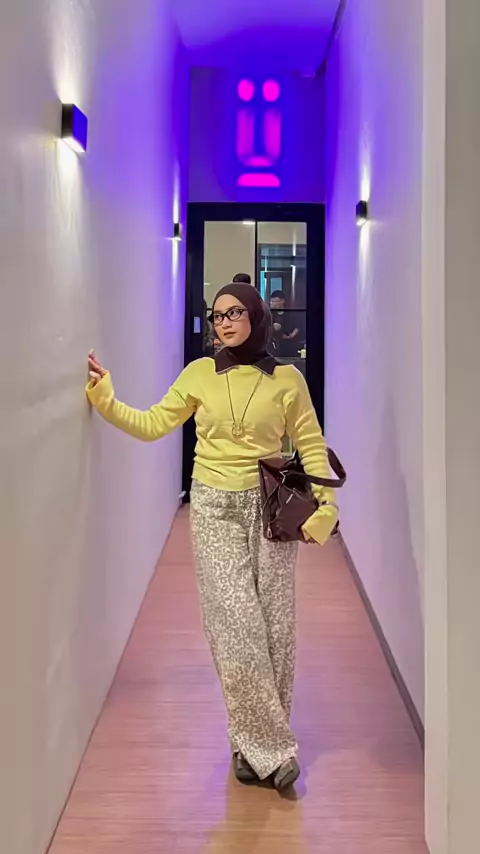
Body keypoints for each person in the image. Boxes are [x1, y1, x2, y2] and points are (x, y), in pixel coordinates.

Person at [86, 283, 338, 792]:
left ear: (257, 317)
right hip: (214, 505)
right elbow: (153, 424)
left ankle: (250, 742)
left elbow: (311, 445)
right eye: (217, 315)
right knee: (235, 625)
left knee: (275, 626)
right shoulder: (199, 373)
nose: (223, 322)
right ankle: (273, 748)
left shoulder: (287, 380)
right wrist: (106, 398)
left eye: (234, 313)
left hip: (271, 506)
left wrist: (327, 505)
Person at [269, 290, 301, 357]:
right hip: (276, 345)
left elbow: (298, 325)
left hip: (291, 345)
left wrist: (292, 335)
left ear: (282, 301)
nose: (273, 303)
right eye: (271, 301)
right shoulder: (270, 314)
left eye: (275, 301)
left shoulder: (290, 313)